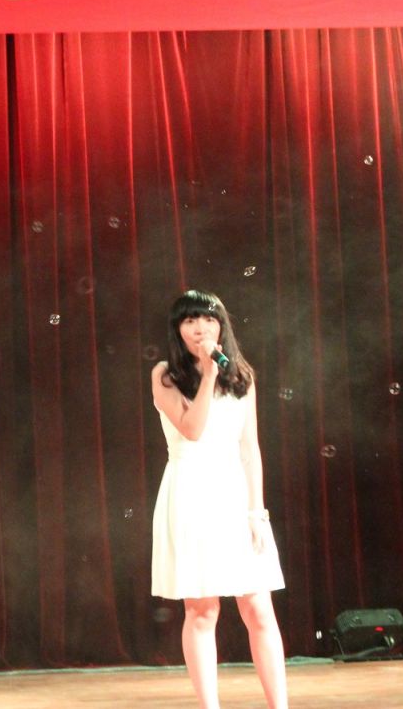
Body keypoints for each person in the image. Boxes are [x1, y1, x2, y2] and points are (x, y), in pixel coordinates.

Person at [151, 290, 288, 709]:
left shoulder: (242, 375)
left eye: (208, 319)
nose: (200, 328)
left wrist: (257, 512)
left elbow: (250, 448)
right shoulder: (165, 375)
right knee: (202, 609)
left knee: (258, 607)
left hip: (234, 493)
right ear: (177, 329)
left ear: (221, 325)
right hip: (190, 492)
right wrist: (209, 374)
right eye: (190, 320)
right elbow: (192, 430)